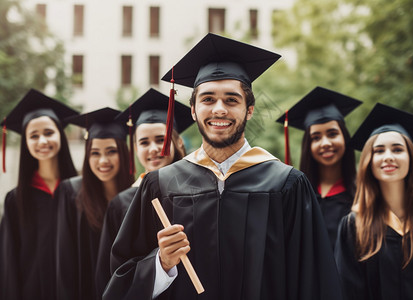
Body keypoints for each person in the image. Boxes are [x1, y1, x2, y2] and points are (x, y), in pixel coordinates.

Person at [103, 33, 342, 300]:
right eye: (207, 99)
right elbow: (119, 280)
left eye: (231, 100)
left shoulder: (286, 184)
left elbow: (314, 280)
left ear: (249, 109)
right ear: (193, 110)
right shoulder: (160, 185)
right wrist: (161, 263)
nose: (219, 109)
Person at [334, 103, 413, 300]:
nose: (388, 157)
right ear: (368, 162)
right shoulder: (354, 226)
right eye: (378, 151)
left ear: (411, 158)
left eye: (397, 149)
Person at [94, 88, 193, 298]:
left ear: (178, 142)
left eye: (160, 139)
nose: (153, 148)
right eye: (144, 142)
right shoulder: (122, 203)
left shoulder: (197, 192)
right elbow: (110, 275)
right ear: (135, 148)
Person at [0, 89, 78, 300]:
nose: (42, 141)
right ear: (26, 143)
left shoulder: (80, 191)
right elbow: (9, 261)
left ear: (60, 134)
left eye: (48, 132)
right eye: (34, 136)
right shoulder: (16, 199)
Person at [55, 107, 134, 300]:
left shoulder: (135, 197)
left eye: (111, 151)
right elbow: (65, 264)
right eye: (95, 153)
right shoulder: (72, 195)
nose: (103, 160)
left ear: (124, 153)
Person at [277, 86, 361, 248]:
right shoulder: (297, 195)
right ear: (308, 145)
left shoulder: (363, 194)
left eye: (332, 134)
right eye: (316, 137)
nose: (325, 143)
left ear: (344, 136)